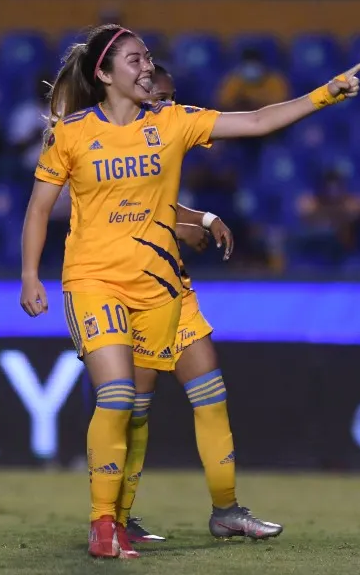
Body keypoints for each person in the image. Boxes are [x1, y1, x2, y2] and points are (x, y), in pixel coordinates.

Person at [19, 23, 360, 559]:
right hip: (93, 281)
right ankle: (104, 525)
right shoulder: (70, 133)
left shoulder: (173, 122)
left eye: (147, 59)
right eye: (133, 61)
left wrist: (326, 93)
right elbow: (40, 208)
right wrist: (29, 275)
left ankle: (214, 511)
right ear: (104, 74)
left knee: (181, 399)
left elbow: (254, 121)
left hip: (159, 287)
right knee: (117, 398)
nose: (145, 68)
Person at [121, 64, 280, 544]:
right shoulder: (111, 141)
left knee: (211, 396)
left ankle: (226, 510)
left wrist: (203, 217)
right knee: (134, 411)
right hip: (132, 289)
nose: (168, 106)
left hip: (175, 288)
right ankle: (116, 516)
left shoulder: (168, 137)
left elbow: (161, 205)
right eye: (160, 97)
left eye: (173, 98)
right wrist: (188, 222)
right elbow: (126, 210)